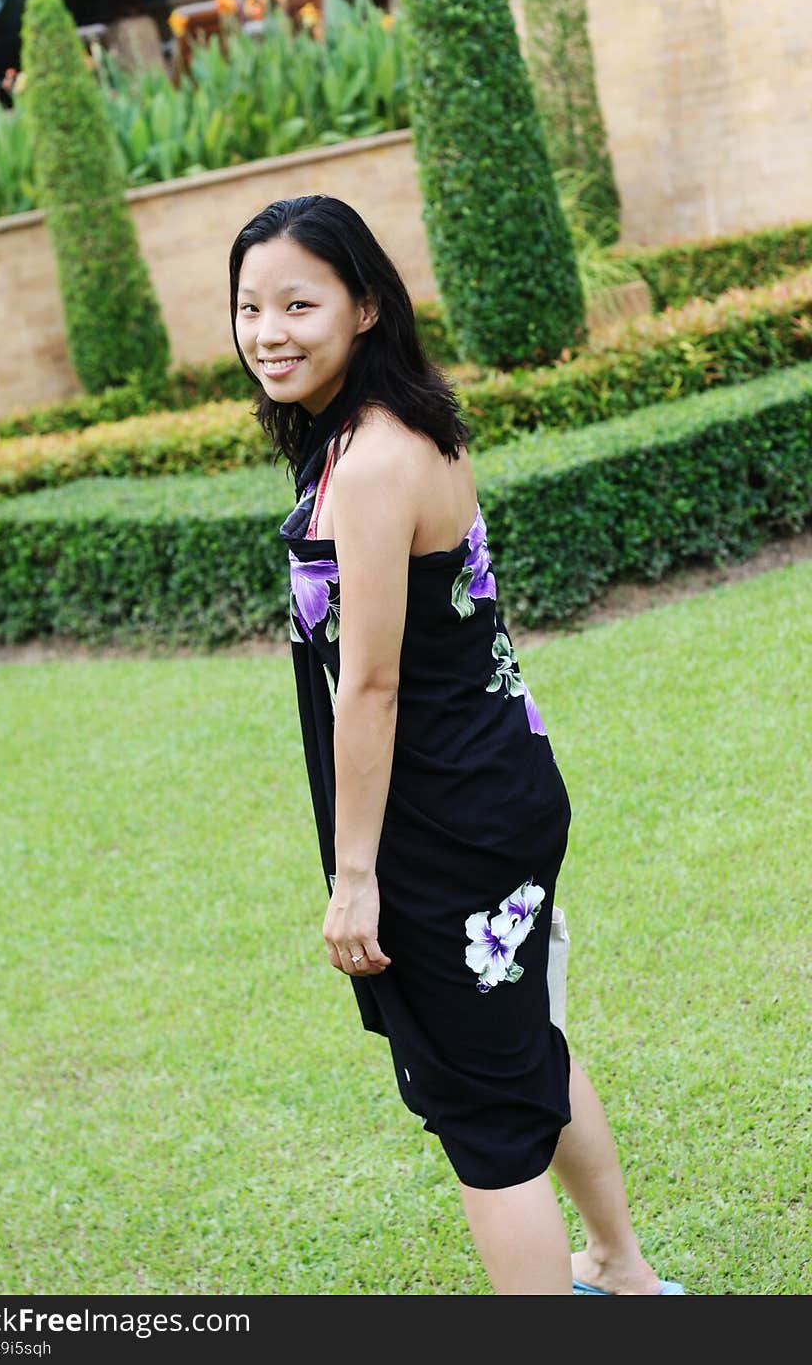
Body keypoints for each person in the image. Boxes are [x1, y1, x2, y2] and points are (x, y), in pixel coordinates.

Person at [227, 194, 685, 1296]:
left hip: (443, 822)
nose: (268, 332)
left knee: (480, 1116)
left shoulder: (374, 463)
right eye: (248, 307)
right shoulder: (387, 428)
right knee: (520, 1038)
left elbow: (373, 685)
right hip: (494, 784)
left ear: (367, 305)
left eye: (299, 302)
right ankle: (621, 1271)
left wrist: (353, 882)